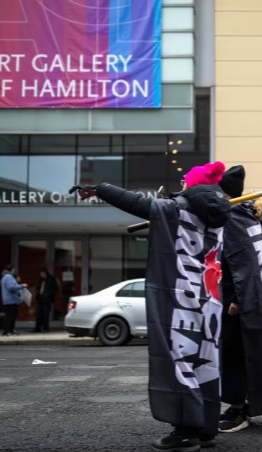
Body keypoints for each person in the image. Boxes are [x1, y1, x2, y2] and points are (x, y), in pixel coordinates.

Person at [74, 161, 231, 451]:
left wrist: (101, 189)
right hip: (209, 299)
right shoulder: (220, 215)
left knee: (178, 362)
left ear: (193, 185)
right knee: (206, 364)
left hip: (180, 296)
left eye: (186, 181)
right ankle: (206, 428)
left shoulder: (178, 208)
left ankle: (185, 431)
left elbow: (137, 203)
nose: (182, 184)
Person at [217, 165, 262, 434]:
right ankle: (243, 404)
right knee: (244, 352)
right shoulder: (244, 217)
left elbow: (240, 263)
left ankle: (238, 407)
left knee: (236, 354)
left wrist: (235, 297)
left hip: (239, 301)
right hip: (244, 299)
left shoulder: (234, 216)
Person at [1, 265, 27, 337]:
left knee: (10, 316)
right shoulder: (8, 277)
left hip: (9, 300)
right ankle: (8, 331)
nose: (14, 271)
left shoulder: (5, 277)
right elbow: (11, 287)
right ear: (11, 270)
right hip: (11, 300)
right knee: (10, 317)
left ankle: (10, 331)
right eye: (13, 270)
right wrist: (22, 286)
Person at [34, 268, 58, 333]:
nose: (41, 274)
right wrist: (37, 290)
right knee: (39, 314)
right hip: (40, 298)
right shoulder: (41, 279)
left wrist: (48, 294)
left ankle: (45, 328)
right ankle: (38, 328)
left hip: (47, 299)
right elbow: (39, 286)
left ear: (45, 273)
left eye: (42, 273)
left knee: (46, 314)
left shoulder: (51, 279)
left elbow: (55, 288)